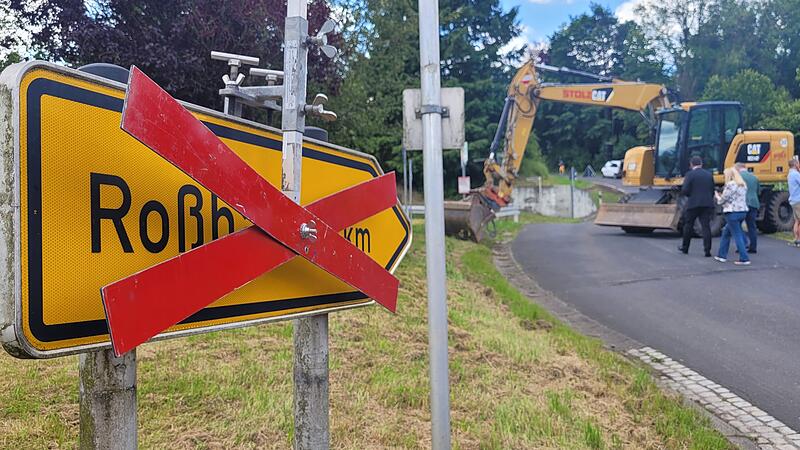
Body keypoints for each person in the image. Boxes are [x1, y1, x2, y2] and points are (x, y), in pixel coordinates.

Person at [678, 156, 716, 257]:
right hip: (707, 203)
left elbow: (685, 190)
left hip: (693, 203)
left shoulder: (690, 175)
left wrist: (690, 195)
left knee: (688, 225)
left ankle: (685, 247)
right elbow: (712, 189)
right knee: (706, 227)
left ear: (691, 164)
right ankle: (707, 250)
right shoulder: (709, 174)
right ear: (701, 164)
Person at [714, 167, 750, 265]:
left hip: (732, 212)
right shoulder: (743, 184)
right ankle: (721, 255)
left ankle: (744, 258)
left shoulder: (730, 185)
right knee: (726, 232)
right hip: (743, 211)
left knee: (737, 235)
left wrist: (717, 196)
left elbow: (723, 200)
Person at [736, 162, 759, 253]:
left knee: (738, 225)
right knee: (752, 226)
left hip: (742, 203)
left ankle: (742, 245)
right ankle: (753, 247)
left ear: (738, 168)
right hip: (753, 203)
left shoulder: (738, 177)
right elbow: (758, 190)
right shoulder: (754, 177)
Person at [788, 159, 800, 247]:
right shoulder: (796, 174)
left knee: (797, 221)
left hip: (793, 200)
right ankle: (799, 239)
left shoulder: (790, 174)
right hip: (798, 200)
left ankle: (796, 238)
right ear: (795, 164)